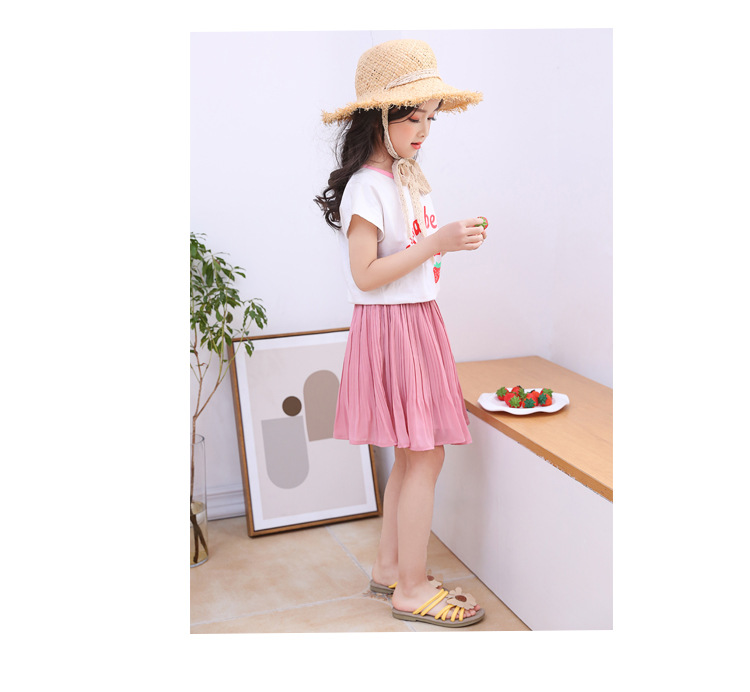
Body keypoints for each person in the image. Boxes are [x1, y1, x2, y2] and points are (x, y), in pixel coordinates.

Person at [315, 38, 487, 628]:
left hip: (415, 321)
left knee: (417, 455)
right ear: (378, 118)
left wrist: (443, 244)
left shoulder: (404, 177)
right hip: (394, 326)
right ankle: (411, 589)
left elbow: (406, 260)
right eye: (412, 117)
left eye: (430, 118)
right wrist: (437, 243)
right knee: (424, 455)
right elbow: (365, 275)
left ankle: (391, 568)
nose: (424, 130)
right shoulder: (368, 186)